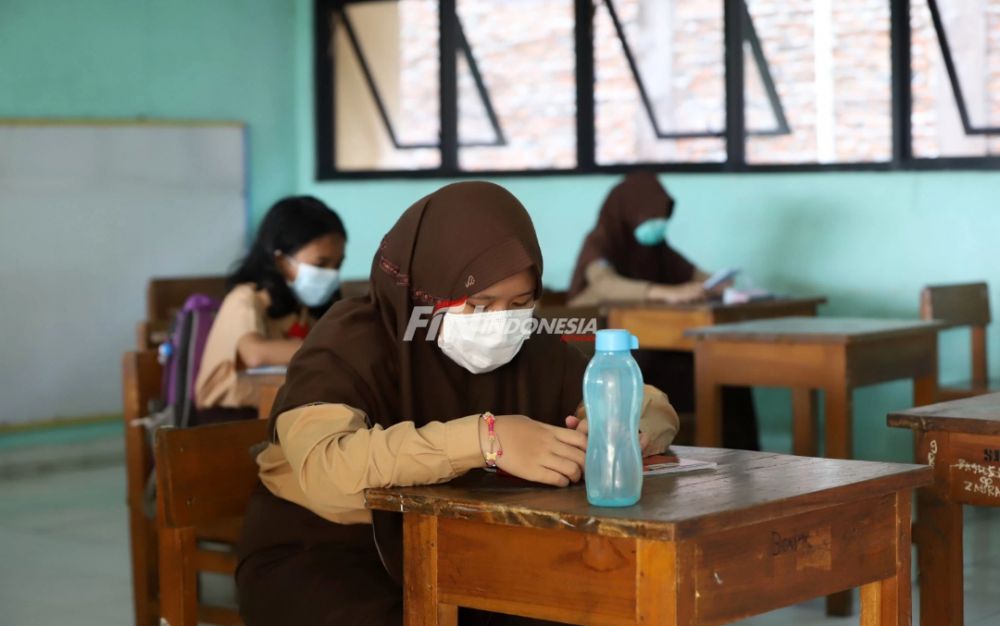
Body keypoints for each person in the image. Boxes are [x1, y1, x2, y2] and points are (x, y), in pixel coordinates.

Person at [235, 181, 680, 625]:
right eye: (479, 305)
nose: (501, 323)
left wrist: (615, 427)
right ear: (424, 292)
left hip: (466, 550)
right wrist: (486, 439)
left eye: (520, 303)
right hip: (330, 550)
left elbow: (651, 404)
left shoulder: (530, 344)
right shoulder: (352, 339)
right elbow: (326, 464)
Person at [567, 172, 759, 450]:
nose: (655, 224)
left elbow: (693, 273)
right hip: (609, 350)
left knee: (725, 370)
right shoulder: (602, 241)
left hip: (653, 342)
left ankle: (741, 456)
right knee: (694, 370)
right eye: (648, 216)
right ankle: (701, 448)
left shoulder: (656, 248)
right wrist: (664, 292)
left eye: (660, 216)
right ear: (629, 210)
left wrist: (717, 284)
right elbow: (605, 283)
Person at [195, 196, 347, 410]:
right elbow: (255, 353)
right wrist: (334, 350)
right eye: (321, 264)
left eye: (337, 265)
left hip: (273, 409)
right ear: (281, 261)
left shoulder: (303, 306)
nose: (331, 274)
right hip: (225, 415)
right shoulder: (245, 298)